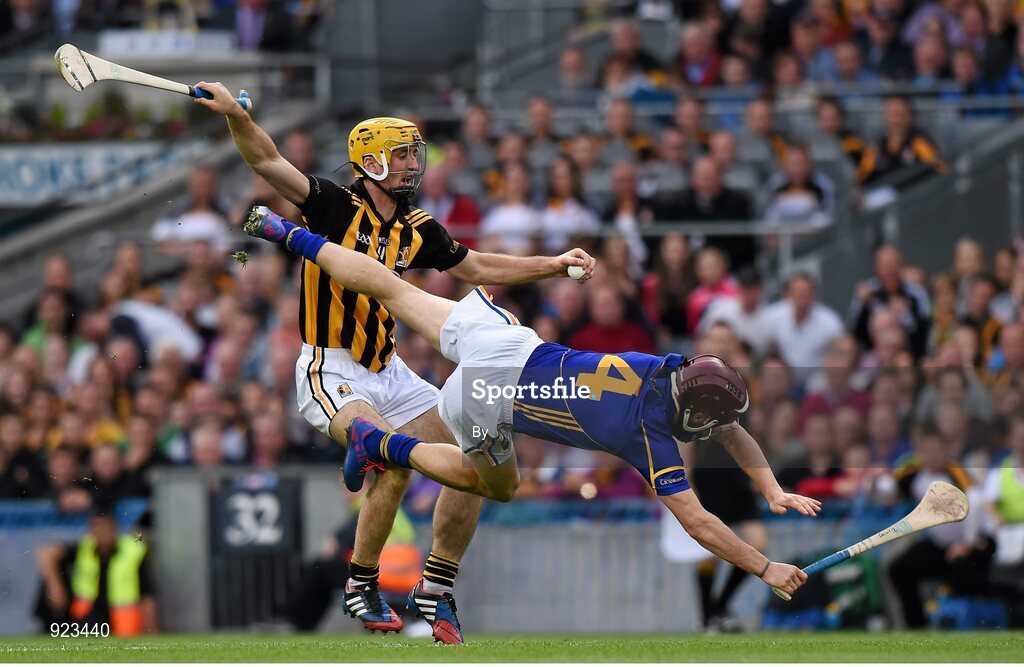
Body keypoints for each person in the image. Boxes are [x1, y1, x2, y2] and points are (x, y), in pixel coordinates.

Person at [243, 205, 819, 602]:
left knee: (392, 287)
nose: (719, 430)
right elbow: (698, 523)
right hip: (492, 389)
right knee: (492, 484)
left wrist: (771, 490)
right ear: (696, 416)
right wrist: (764, 566)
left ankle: (287, 234)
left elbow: (730, 431)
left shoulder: (672, 369)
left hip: (507, 335)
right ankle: (384, 446)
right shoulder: (653, 436)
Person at [194, 83, 596, 644]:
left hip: (392, 371)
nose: (413, 164)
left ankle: (437, 585)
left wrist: (551, 265)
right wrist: (237, 115)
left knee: (476, 454)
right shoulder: (333, 204)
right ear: (373, 160)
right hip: (329, 369)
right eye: (403, 154)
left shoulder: (417, 228)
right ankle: (361, 582)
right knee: (388, 460)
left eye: (414, 153)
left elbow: (475, 266)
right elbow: (266, 159)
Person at [34, 503, 158, 636]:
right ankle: (50, 630)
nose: (102, 532)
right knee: (49, 582)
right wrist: (55, 586)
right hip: (88, 614)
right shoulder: (84, 549)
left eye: (106, 527)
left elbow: (147, 595)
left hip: (122, 616)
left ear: (114, 528)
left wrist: (152, 631)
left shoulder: (133, 552)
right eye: (97, 527)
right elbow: (45, 553)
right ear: (91, 530)